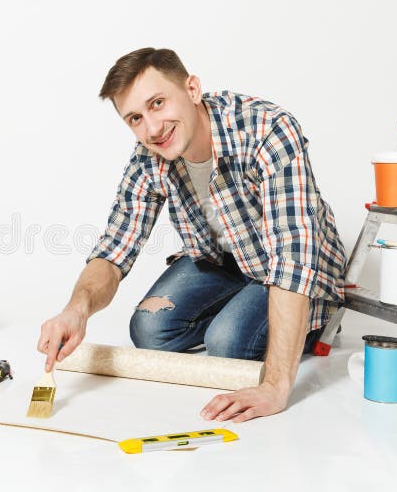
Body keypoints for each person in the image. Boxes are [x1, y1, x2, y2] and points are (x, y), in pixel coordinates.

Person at [37, 48, 346, 422]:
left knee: (226, 343)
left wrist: (276, 385)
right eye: (135, 117)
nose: (152, 128)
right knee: (149, 329)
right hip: (223, 260)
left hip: (287, 266)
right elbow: (114, 249)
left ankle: (302, 328)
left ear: (193, 89)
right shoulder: (148, 156)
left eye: (158, 103)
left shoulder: (267, 129)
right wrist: (76, 310)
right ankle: (244, 308)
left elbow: (293, 259)